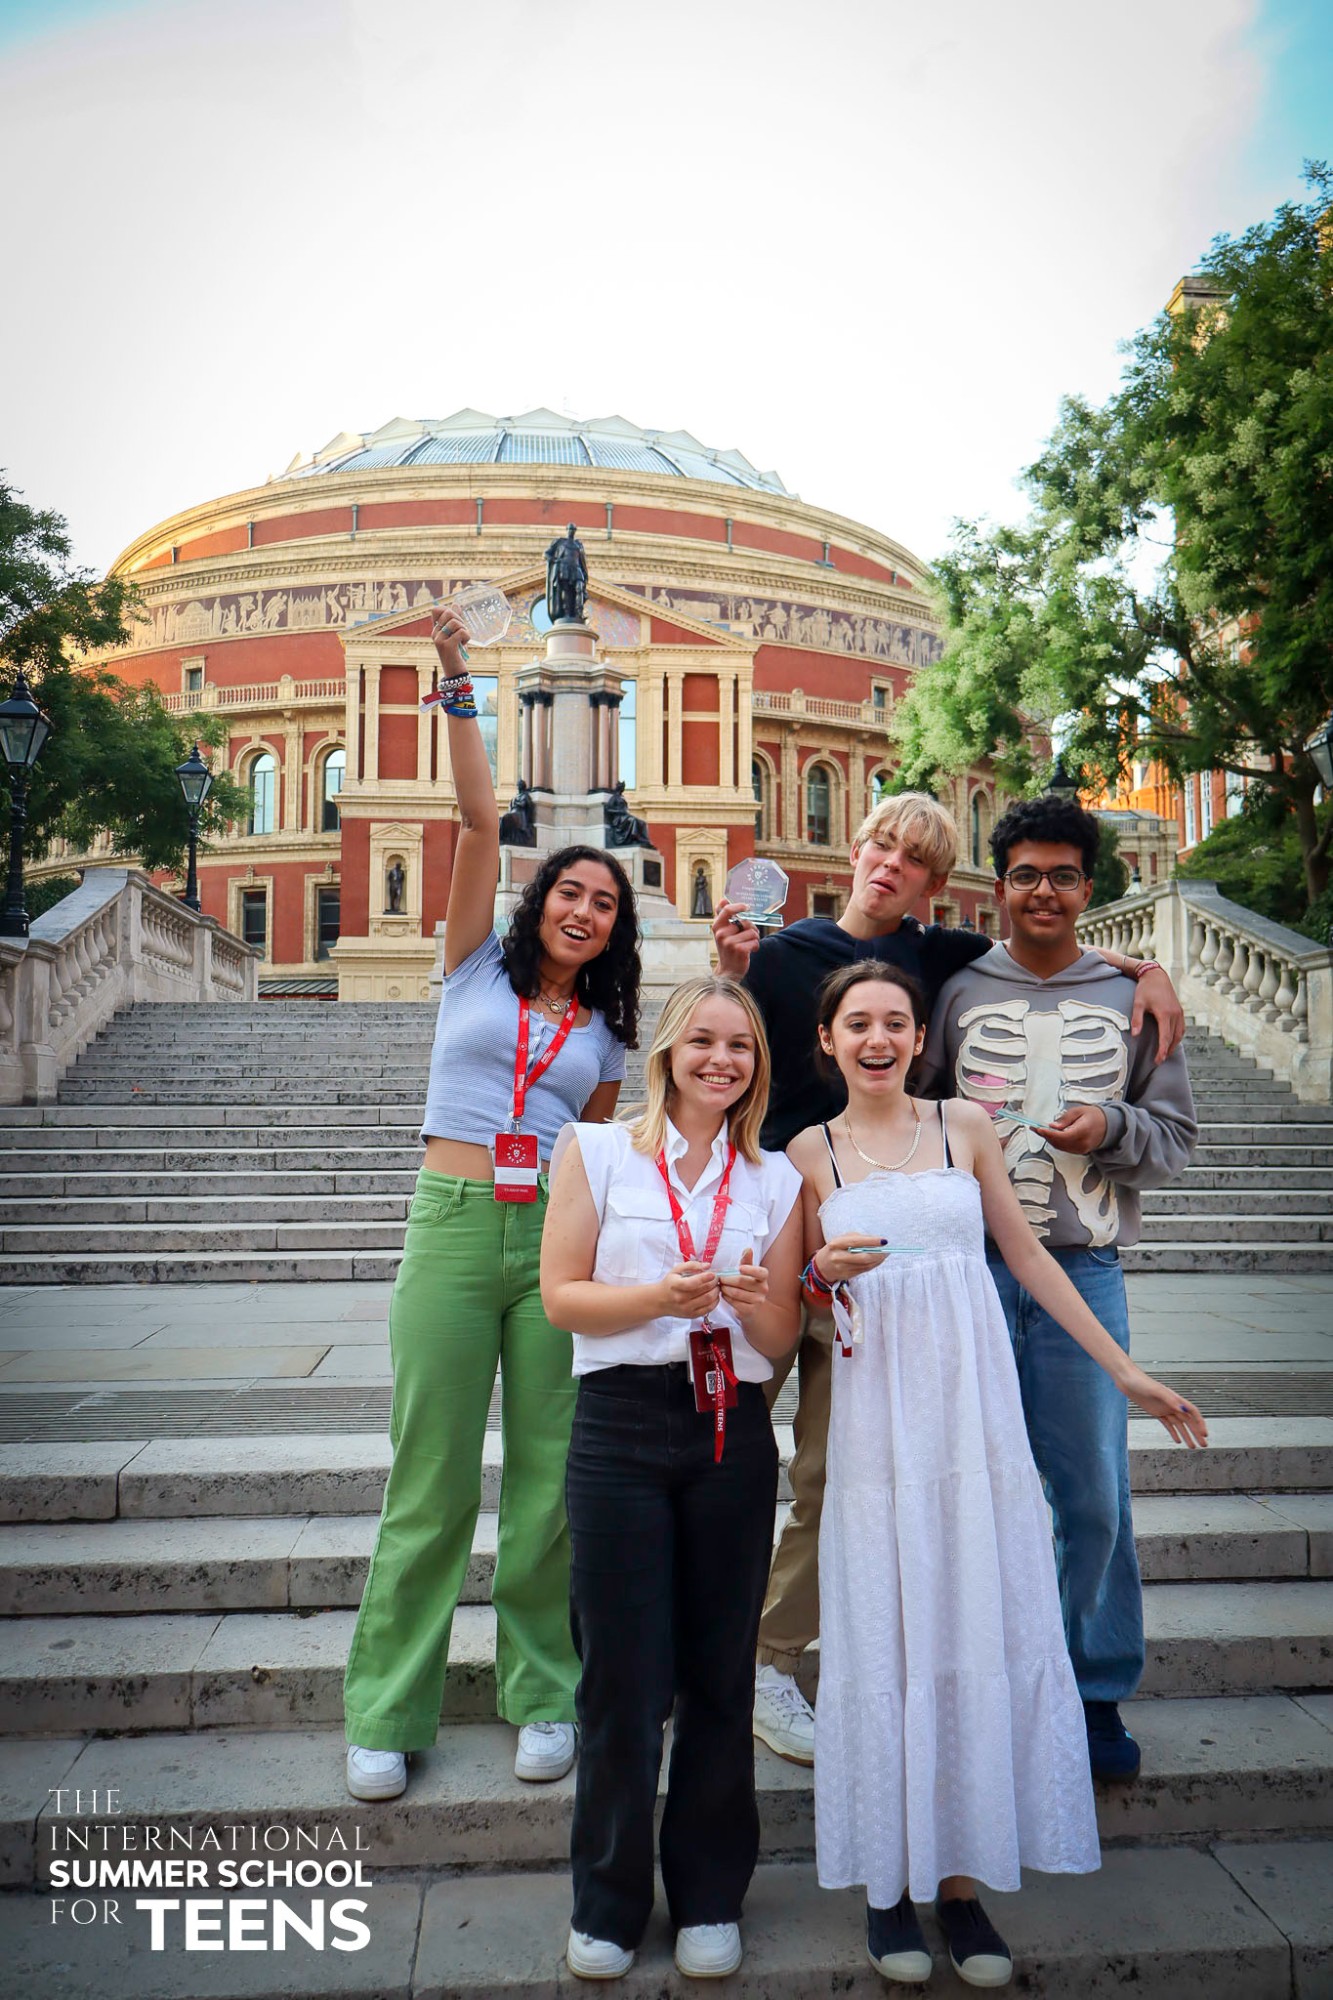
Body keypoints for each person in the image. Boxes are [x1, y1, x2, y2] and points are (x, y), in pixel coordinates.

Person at [711, 791, 1186, 1767]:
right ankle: (709, 1653)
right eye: (881, 843)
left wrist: (1149, 970)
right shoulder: (782, 957)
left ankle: (1068, 1688)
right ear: (857, 847)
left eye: (916, 858)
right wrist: (724, 975)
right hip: (782, 1228)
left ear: (936, 883)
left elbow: (1052, 963)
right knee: (733, 1458)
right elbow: (714, 1064)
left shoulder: (943, 960)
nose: (891, 864)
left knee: (867, 1474)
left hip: (906, 1254)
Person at [790, 961, 1206, 1989]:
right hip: (879, 1427)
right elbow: (791, 1300)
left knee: (969, 1621)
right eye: (857, 1023)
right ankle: (887, 1880)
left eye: (895, 1021)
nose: (878, 1038)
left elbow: (1027, 1256)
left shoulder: (964, 1126)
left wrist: (1122, 1371)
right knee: (887, 1627)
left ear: (916, 1036)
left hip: (971, 1422)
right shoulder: (804, 1153)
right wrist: (815, 1276)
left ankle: (960, 1883)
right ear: (827, 1040)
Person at [343, 605, 640, 1802]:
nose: (583, 908)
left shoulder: (606, 1032)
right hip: (454, 1223)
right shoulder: (471, 964)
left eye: (603, 901)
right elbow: (475, 818)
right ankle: (386, 1707)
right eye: (570, 890)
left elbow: (601, 1152)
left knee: (549, 1482)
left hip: (552, 1244)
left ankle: (543, 1691)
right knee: (429, 1476)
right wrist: (457, 679)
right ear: (538, 901)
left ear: (614, 927)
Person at [918, 794, 1198, 1783]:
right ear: (998, 886)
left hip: (1083, 1266)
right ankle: (984, 1682)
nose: (1044, 891)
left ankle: (1093, 1689)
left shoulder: (1133, 1000)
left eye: (1063, 875)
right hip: (967, 1271)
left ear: (1089, 887)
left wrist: (1110, 1127)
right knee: (964, 1488)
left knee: (1093, 1493)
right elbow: (912, 1113)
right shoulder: (954, 990)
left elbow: (1175, 1139)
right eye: (1026, 875)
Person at [541, 976, 804, 1982]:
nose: (720, 1060)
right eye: (702, 1040)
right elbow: (562, 1297)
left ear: (757, 1065)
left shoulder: (775, 1179)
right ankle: (607, 1900)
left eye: (740, 1045)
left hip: (729, 1426)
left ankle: (707, 1893)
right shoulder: (596, 1148)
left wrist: (751, 1300)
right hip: (617, 1424)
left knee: (718, 1670)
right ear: (666, 1050)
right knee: (621, 1675)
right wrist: (658, 1294)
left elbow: (777, 1337)